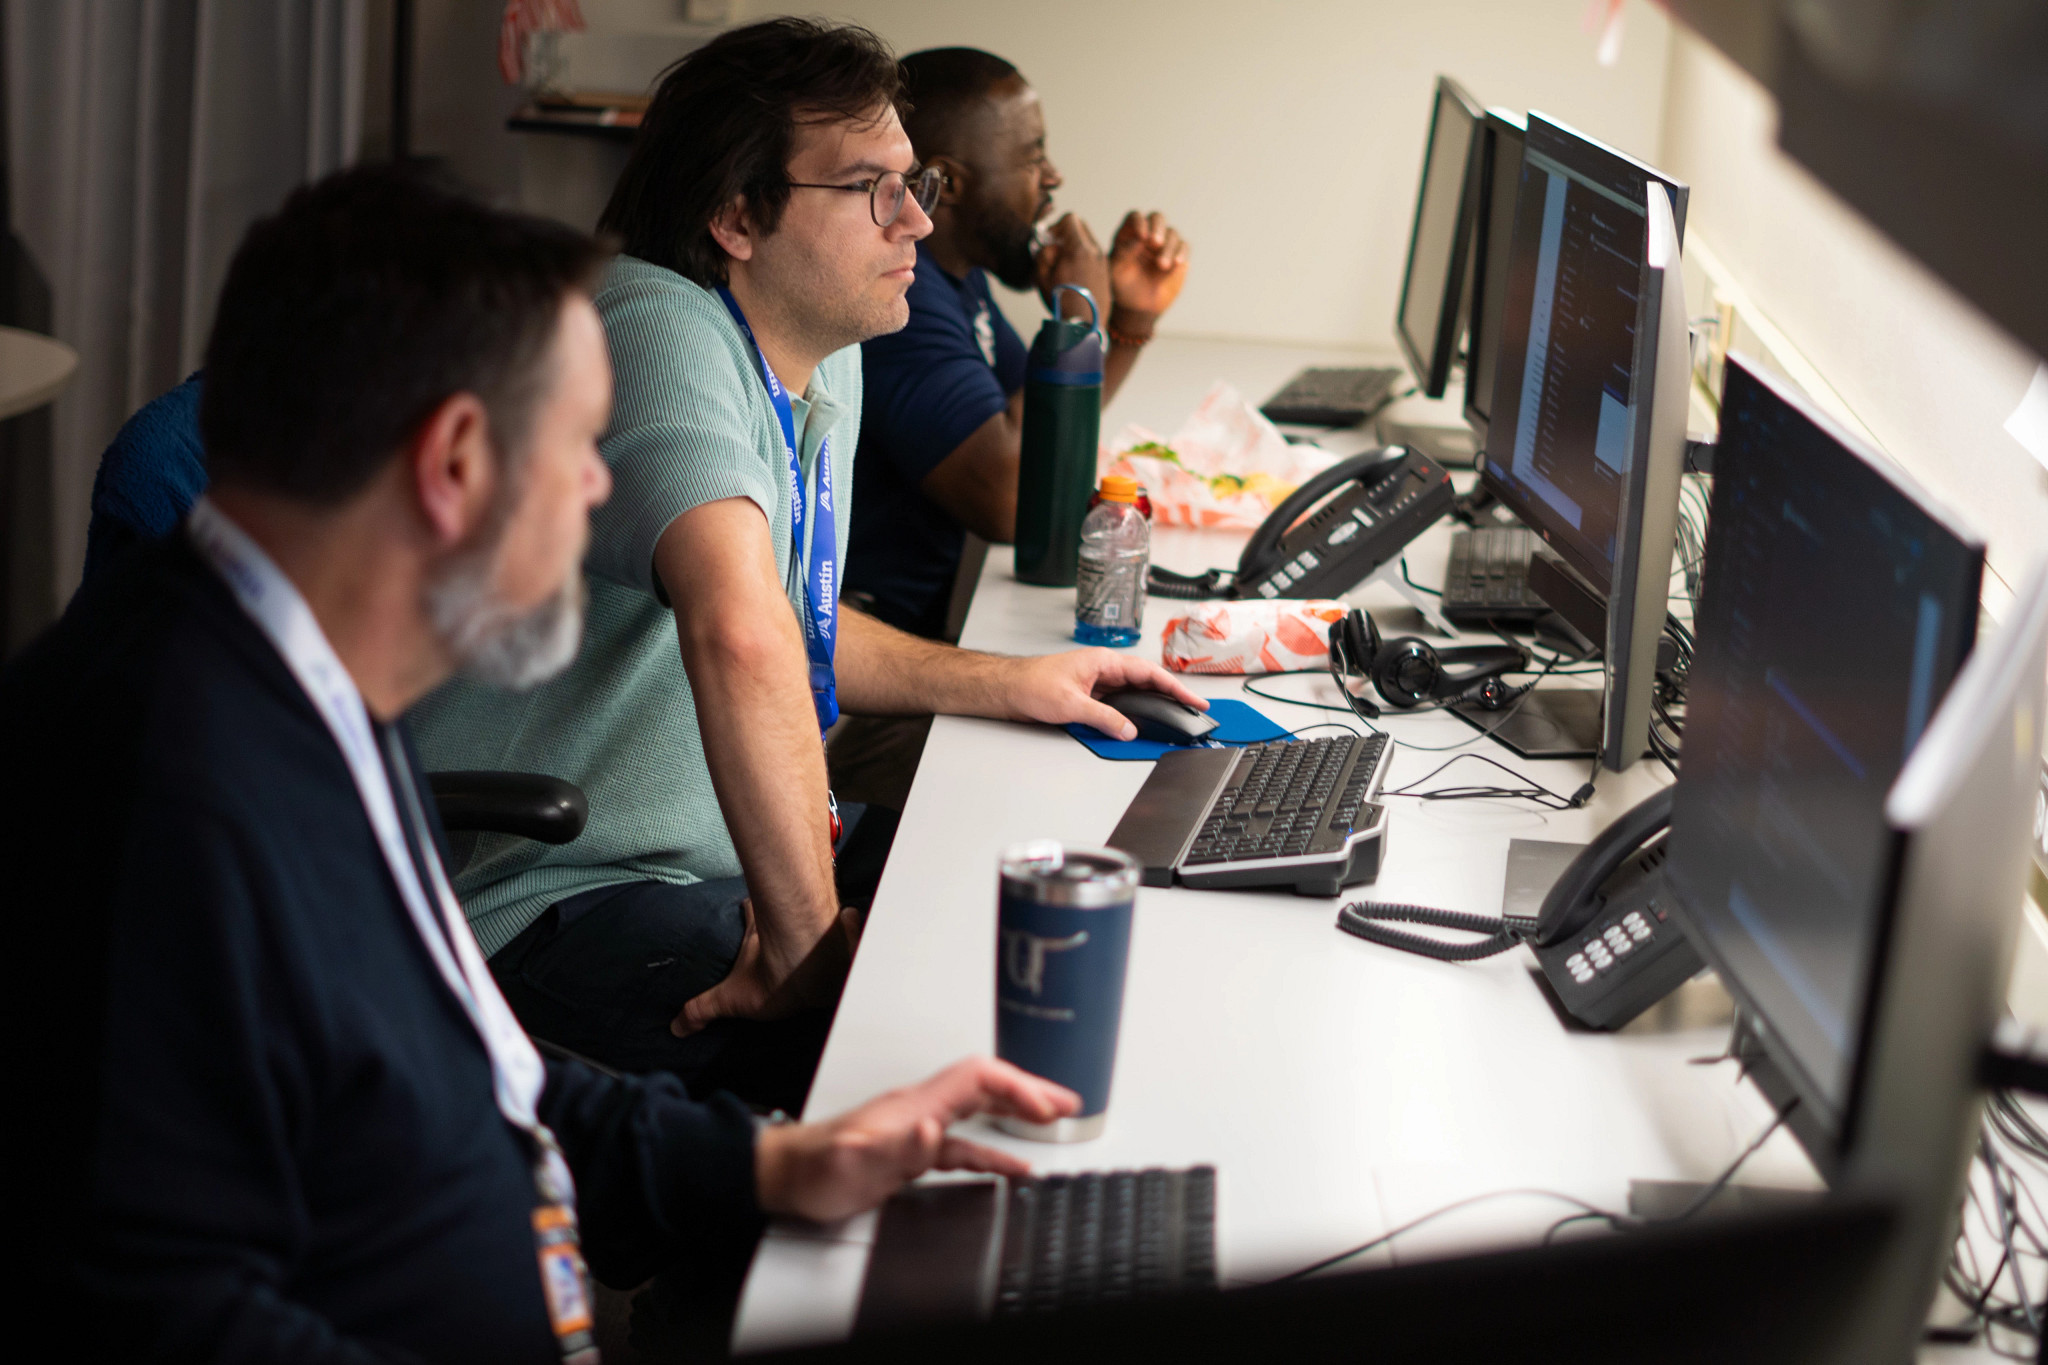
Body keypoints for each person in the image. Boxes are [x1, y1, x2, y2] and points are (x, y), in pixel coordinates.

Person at [6, 163, 1077, 1363]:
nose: (599, 487)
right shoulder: (164, 780)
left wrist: (780, 1162)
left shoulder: (300, 684)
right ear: (456, 461)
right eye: (579, 441)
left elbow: (477, 1076)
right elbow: (168, 1313)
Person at [406, 17, 1205, 1108]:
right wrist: (801, 942)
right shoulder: (649, 327)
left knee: (1040, 904)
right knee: (915, 1043)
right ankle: (726, 1267)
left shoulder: (821, 358)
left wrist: (1013, 680)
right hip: (550, 896)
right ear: (737, 217)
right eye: (873, 189)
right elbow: (738, 629)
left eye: (913, 181)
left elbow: (792, 618)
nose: (918, 218)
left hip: (702, 861)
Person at [831, 46, 1191, 808]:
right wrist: (1074, 320)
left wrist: (1126, 319)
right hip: (874, 689)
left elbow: (1040, 434)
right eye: (1032, 158)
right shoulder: (906, 299)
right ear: (951, 183)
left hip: (935, 638)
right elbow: (1008, 496)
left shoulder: (958, 285)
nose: (1053, 179)